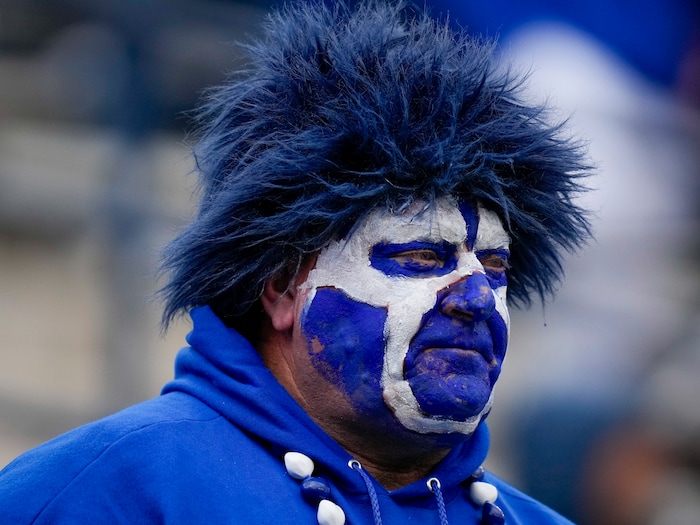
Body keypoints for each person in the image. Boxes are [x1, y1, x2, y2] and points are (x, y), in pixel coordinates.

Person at [0, 2, 591, 523]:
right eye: (420, 255)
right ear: (284, 286)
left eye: (493, 267)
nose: (476, 298)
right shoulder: (101, 493)